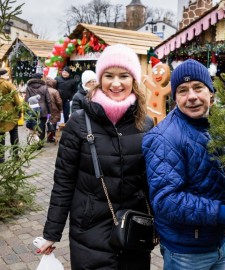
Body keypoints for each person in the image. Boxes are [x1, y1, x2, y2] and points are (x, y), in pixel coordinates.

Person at [37, 44, 154, 270]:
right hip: (90, 230)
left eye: (124, 76)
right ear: (100, 79)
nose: (116, 83)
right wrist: (51, 233)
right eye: (109, 76)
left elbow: (151, 181)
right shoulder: (79, 123)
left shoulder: (145, 123)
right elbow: (63, 182)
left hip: (133, 231)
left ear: (134, 80)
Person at [142, 59, 225, 269]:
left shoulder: (220, 127)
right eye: (183, 90)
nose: (192, 97)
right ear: (175, 97)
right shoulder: (164, 138)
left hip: (221, 241)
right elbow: (166, 200)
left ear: (211, 93)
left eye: (198, 87)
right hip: (188, 252)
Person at [0, 68, 22, 162]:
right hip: (10, 114)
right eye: (6, 75)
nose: (8, 76)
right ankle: (15, 155)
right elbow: (16, 98)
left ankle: (1, 157)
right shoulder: (8, 84)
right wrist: (20, 110)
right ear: (2, 76)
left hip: (1, 115)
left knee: (1, 136)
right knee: (14, 134)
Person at [25, 73, 51, 142]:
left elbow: (26, 99)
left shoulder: (29, 87)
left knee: (32, 125)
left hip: (32, 109)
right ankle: (40, 142)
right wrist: (49, 112)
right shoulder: (44, 87)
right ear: (40, 78)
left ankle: (33, 141)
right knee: (42, 126)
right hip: (43, 109)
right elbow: (48, 100)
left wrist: (26, 110)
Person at [45, 77, 63, 143]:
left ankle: (48, 136)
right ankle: (51, 136)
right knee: (53, 122)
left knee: (48, 121)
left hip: (45, 109)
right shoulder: (55, 91)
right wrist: (60, 108)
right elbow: (59, 101)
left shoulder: (43, 89)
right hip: (54, 109)